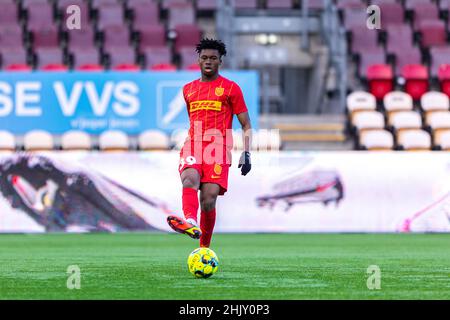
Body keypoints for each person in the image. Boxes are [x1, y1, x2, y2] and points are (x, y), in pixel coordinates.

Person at [167, 39, 252, 248]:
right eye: (204, 58)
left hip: (219, 148)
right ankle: (191, 221)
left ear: (220, 61)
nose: (208, 62)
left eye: (213, 58)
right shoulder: (188, 90)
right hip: (193, 144)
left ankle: (203, 248)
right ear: (198, 60)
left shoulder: (231, 89)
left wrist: (247, 153)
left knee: (209, 198)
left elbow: (246, 124)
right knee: (189, 179)